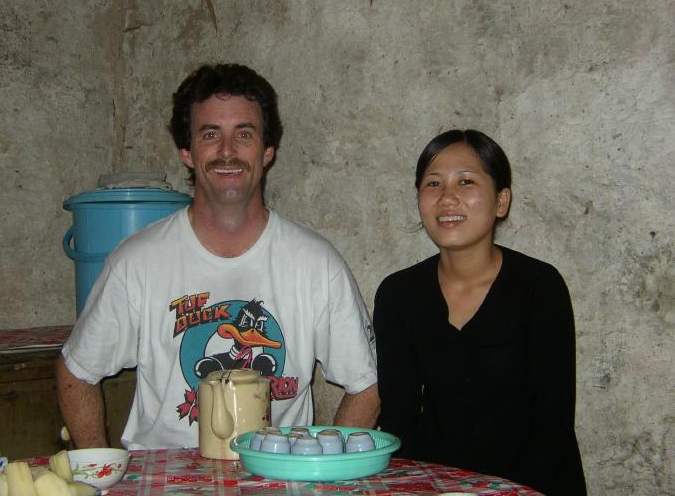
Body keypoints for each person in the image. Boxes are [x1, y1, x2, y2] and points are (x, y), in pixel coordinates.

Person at [56, 63, 379, 450]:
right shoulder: (137, 262)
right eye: (211, 135)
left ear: (268, 150)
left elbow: (368, 385)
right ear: (187, 152)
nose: (227, 151)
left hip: (274, 481)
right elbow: (76, 372)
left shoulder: (316, 263)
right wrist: (99, 475)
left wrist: (324, 471)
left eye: (244, 133)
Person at [373, 129, 586, 496]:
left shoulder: (539, 288)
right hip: (439, 485)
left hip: (535, 485)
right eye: (433, 183)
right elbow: (399, 422)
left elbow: (552, 425)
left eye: (466, 182)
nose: (447, 197)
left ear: (501, 201)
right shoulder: (398, 294)